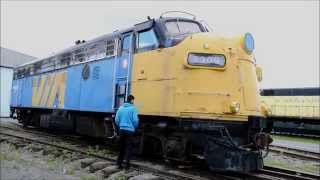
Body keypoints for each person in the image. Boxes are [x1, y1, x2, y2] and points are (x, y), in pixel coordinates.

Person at [115, 95, 139, 170]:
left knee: (121, 147)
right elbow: (135, 120)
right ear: (131, 100)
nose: (133, 102)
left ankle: (119, 164)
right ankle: (127, 166)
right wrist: (134, 127)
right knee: (128, 148)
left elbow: (116, 120)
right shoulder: (133, 108)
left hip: (121, 130)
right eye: (133, 100)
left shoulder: (120, 108)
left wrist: (121, 126)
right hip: (130, 131)